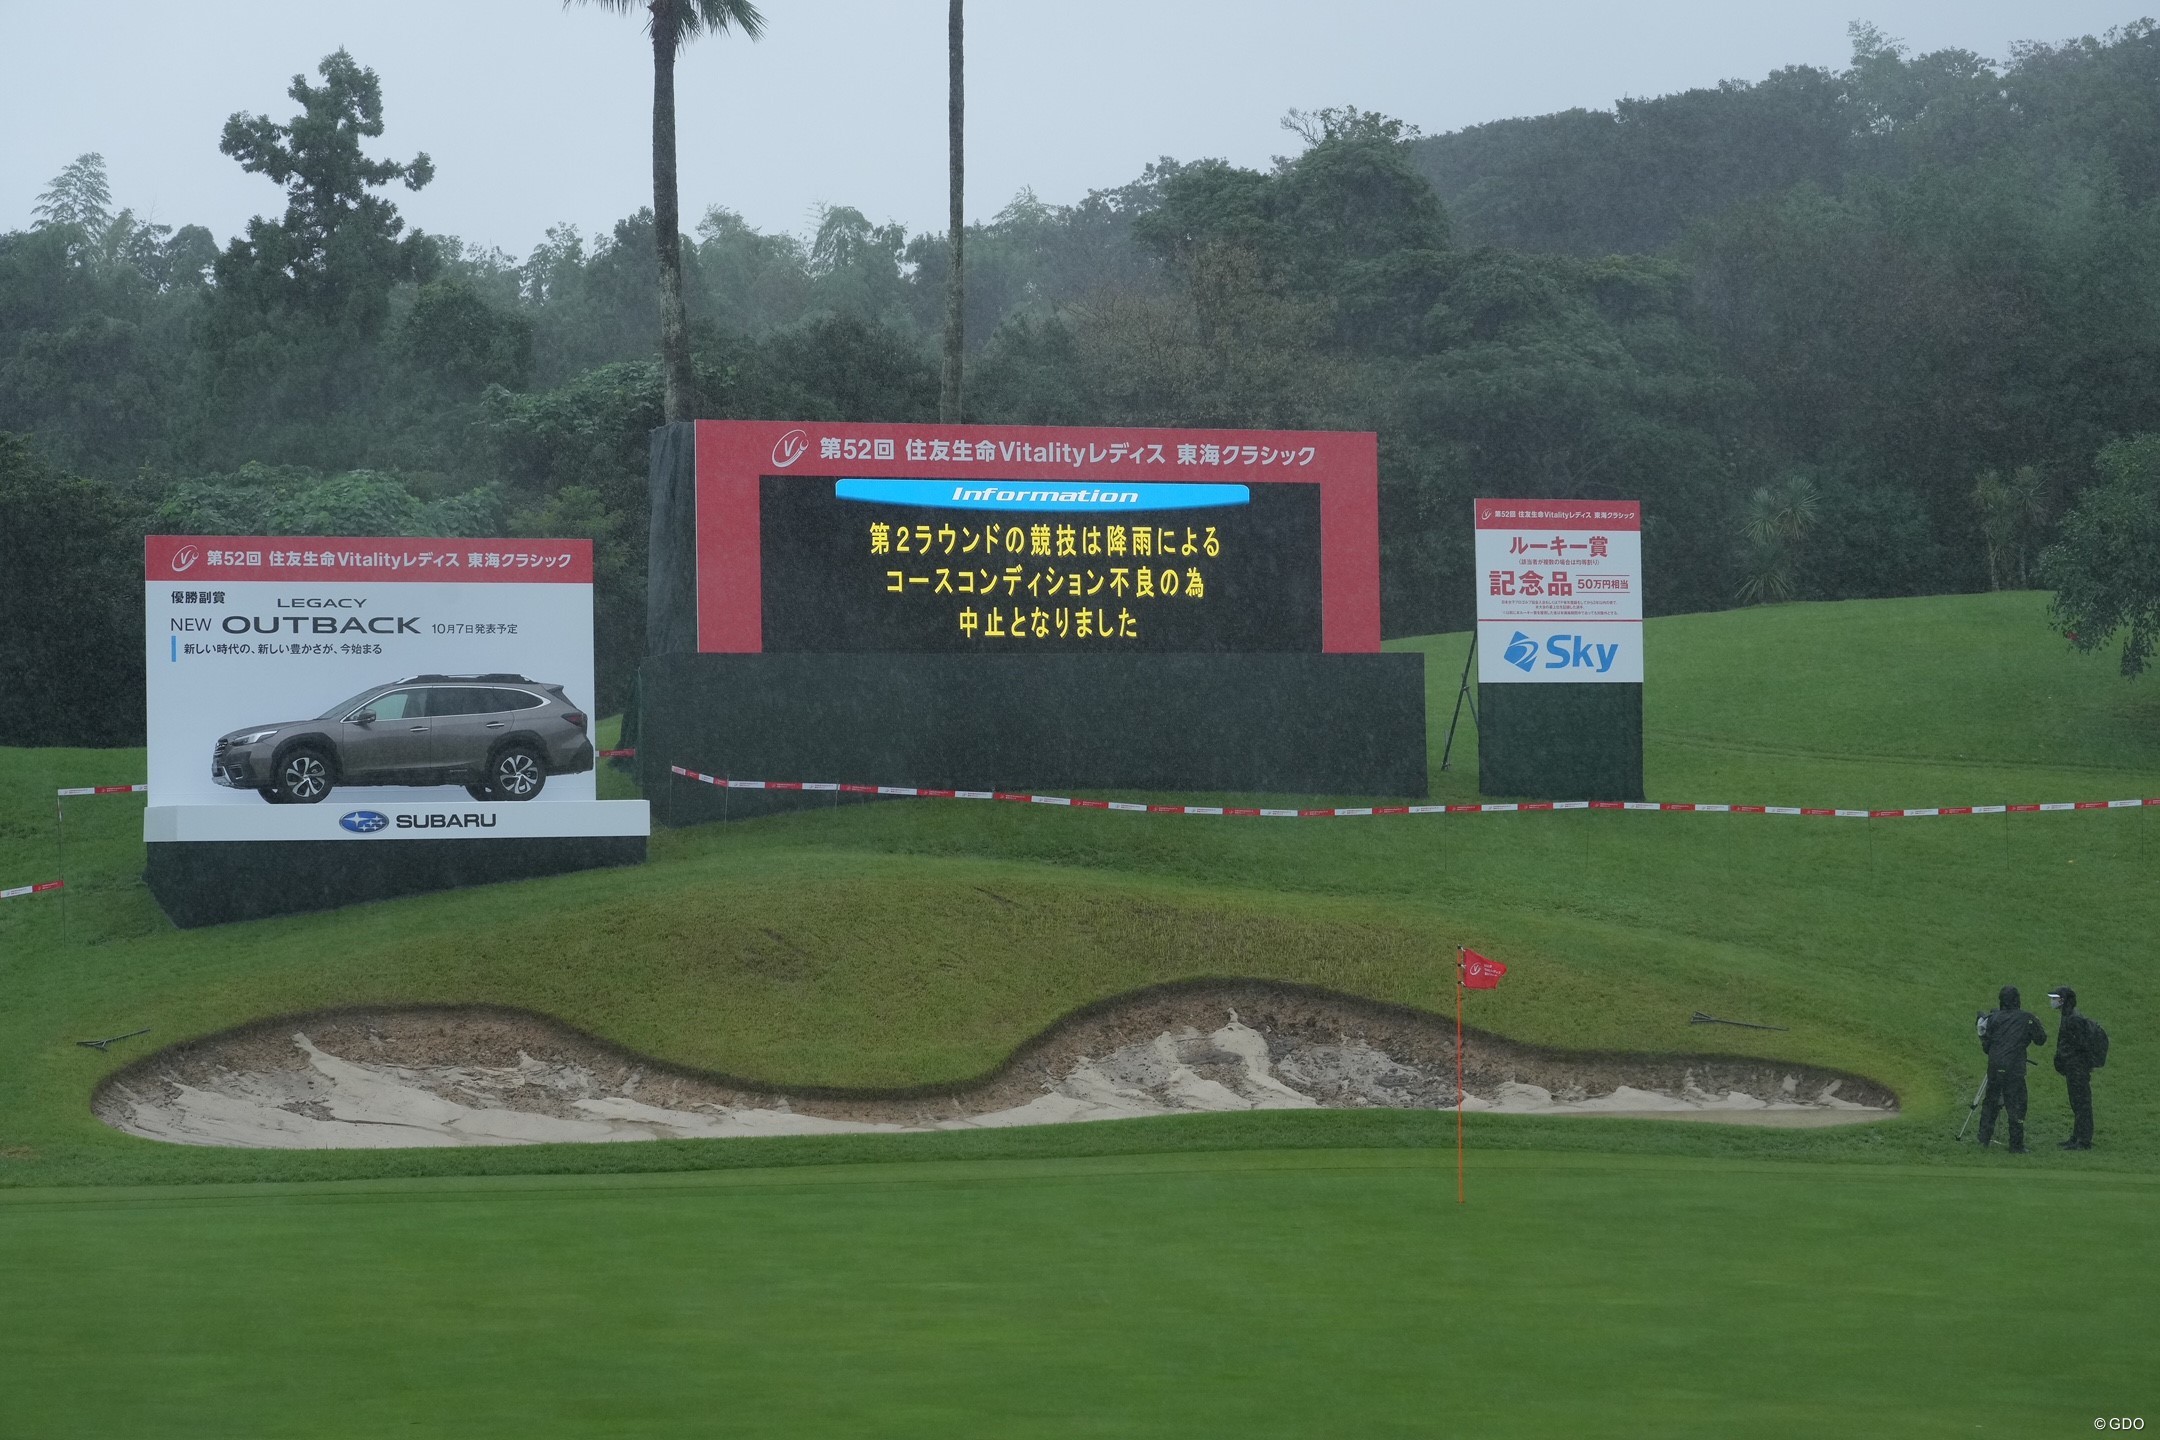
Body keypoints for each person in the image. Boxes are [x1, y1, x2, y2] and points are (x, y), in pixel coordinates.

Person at [1976, 984, 2047, 1153]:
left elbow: (1987, 1046)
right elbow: (2041, 1039)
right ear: (2017, 1001)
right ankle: (2016, 1145)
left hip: (1995, 1067)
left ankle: (1983, 1139)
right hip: (2014, 1068)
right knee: (2016, 1105)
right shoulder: (2026, 1018)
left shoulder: (1993, 1018)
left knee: (1991, 1102)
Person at [2048, 986, 2104, 1150]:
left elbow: (2080, 1045)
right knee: (2077, 1102)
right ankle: (2077, 1137)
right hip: (2074, 1067)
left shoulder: (2073, 1019)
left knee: (2081, 1103)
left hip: (2077, 1067)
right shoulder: (2069, 1017)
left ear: (2063, 1000)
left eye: (2055, 998)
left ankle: (2083, 1140)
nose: (2052, 1001)